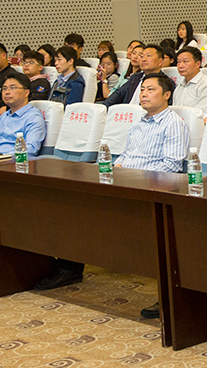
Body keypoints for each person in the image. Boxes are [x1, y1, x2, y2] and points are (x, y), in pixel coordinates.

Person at [37, 73, 188, 293]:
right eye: (142, 89)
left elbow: (171, 167)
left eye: (151, 90)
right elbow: (127, 155)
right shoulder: (140, 122)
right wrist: (115, 168)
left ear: (166, 95)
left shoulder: (173, 123)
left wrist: (133, 177)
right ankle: (68, 267)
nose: (144, 94)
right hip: (123, 180)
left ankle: (70, 267)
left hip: (147, 187)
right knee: (75, 203)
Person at [173, 46, 207, 111]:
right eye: (178, 62)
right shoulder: (180, 86)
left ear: (198, 64)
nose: (180, 66)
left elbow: (203, 113)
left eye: (185, 61)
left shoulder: (206, 85)